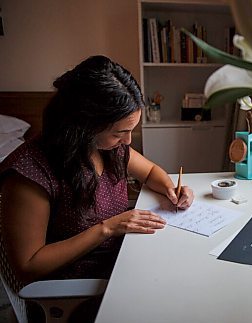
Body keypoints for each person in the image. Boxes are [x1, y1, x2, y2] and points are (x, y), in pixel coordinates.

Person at [0, 55, 194, 291]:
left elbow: (151, 171)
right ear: (84, 123)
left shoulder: (106, 146)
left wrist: (170, 189)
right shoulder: (30, 173)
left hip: (122, 257)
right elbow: (28, 265)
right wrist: (107, 228)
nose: (128, 140)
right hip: (78, 286)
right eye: (119, 132)